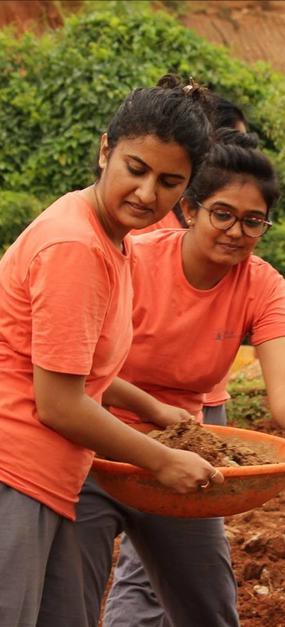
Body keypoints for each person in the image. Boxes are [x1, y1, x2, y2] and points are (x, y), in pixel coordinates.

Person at [0, 75, 227, 627]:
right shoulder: (75, 247)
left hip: (50, 478)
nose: (148, 193)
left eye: (170, 181)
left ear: (188, 189)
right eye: (136, 169)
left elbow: (73, 365)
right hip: (14, 471)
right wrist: (161, 459)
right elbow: (59, 403)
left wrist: (151, 409)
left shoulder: (106, 235)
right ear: (106, 150)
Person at [76, 129, 285, 627]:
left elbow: (282, 395)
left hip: (184, 458)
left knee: (207, 607)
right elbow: (78, 371)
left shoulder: (263, 284)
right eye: (223, 214)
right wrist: (144, 415)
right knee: (69, 601)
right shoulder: (133, 259)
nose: (236, 231)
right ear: (190, 210)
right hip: (95, 446)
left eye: (252, 221)